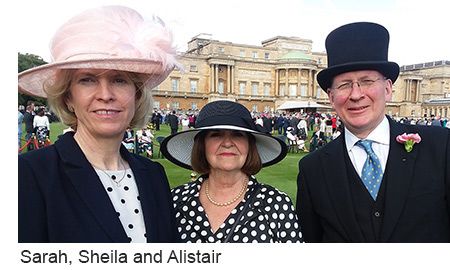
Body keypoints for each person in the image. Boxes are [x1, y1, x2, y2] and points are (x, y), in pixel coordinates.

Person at [18, 5, 180, 243]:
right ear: (68, 97)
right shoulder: (28, 174)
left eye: (119, 79)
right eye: (87, 80)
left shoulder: (153, 174)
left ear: (136, 95)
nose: (105, 94)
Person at [296, 22, 450, 242]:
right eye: (344, 85)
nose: (356, 94)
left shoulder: (441, 146)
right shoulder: (312, 168)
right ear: (331, 98)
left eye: (367, 81)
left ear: (387, 89)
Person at [161, 100, 303, 243]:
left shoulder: (276, 205)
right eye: (216, 134)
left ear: (249, 144)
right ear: (202, 145)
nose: (227, 143)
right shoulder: (174, 201)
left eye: (238, 135)